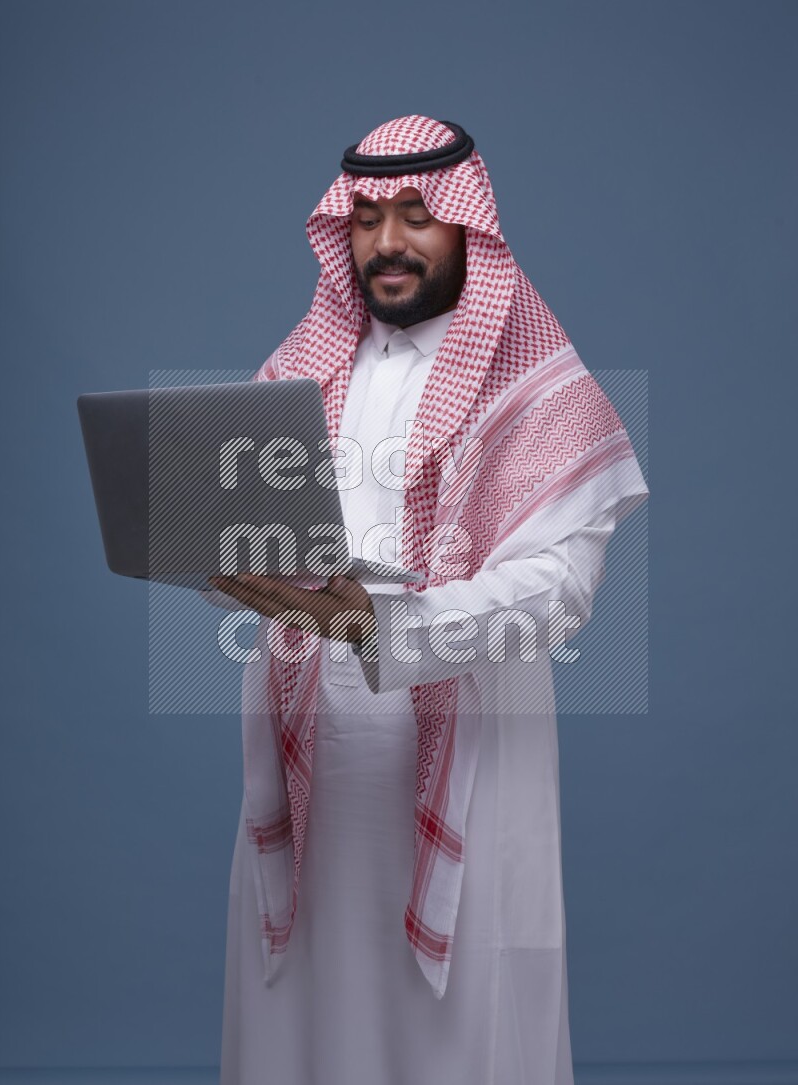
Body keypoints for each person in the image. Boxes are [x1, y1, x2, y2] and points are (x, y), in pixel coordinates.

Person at [201, 115, 649, 1085]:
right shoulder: (298, 374)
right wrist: (224, 565)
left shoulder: (537, 389)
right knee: (299, 1026)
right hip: (307, 755)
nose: (387, 241)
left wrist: (376, 624)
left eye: (415, 214)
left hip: (471, 758)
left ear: (467, 228)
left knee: (459, 1037)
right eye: (364, 218)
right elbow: (247, 540)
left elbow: (555, 595)